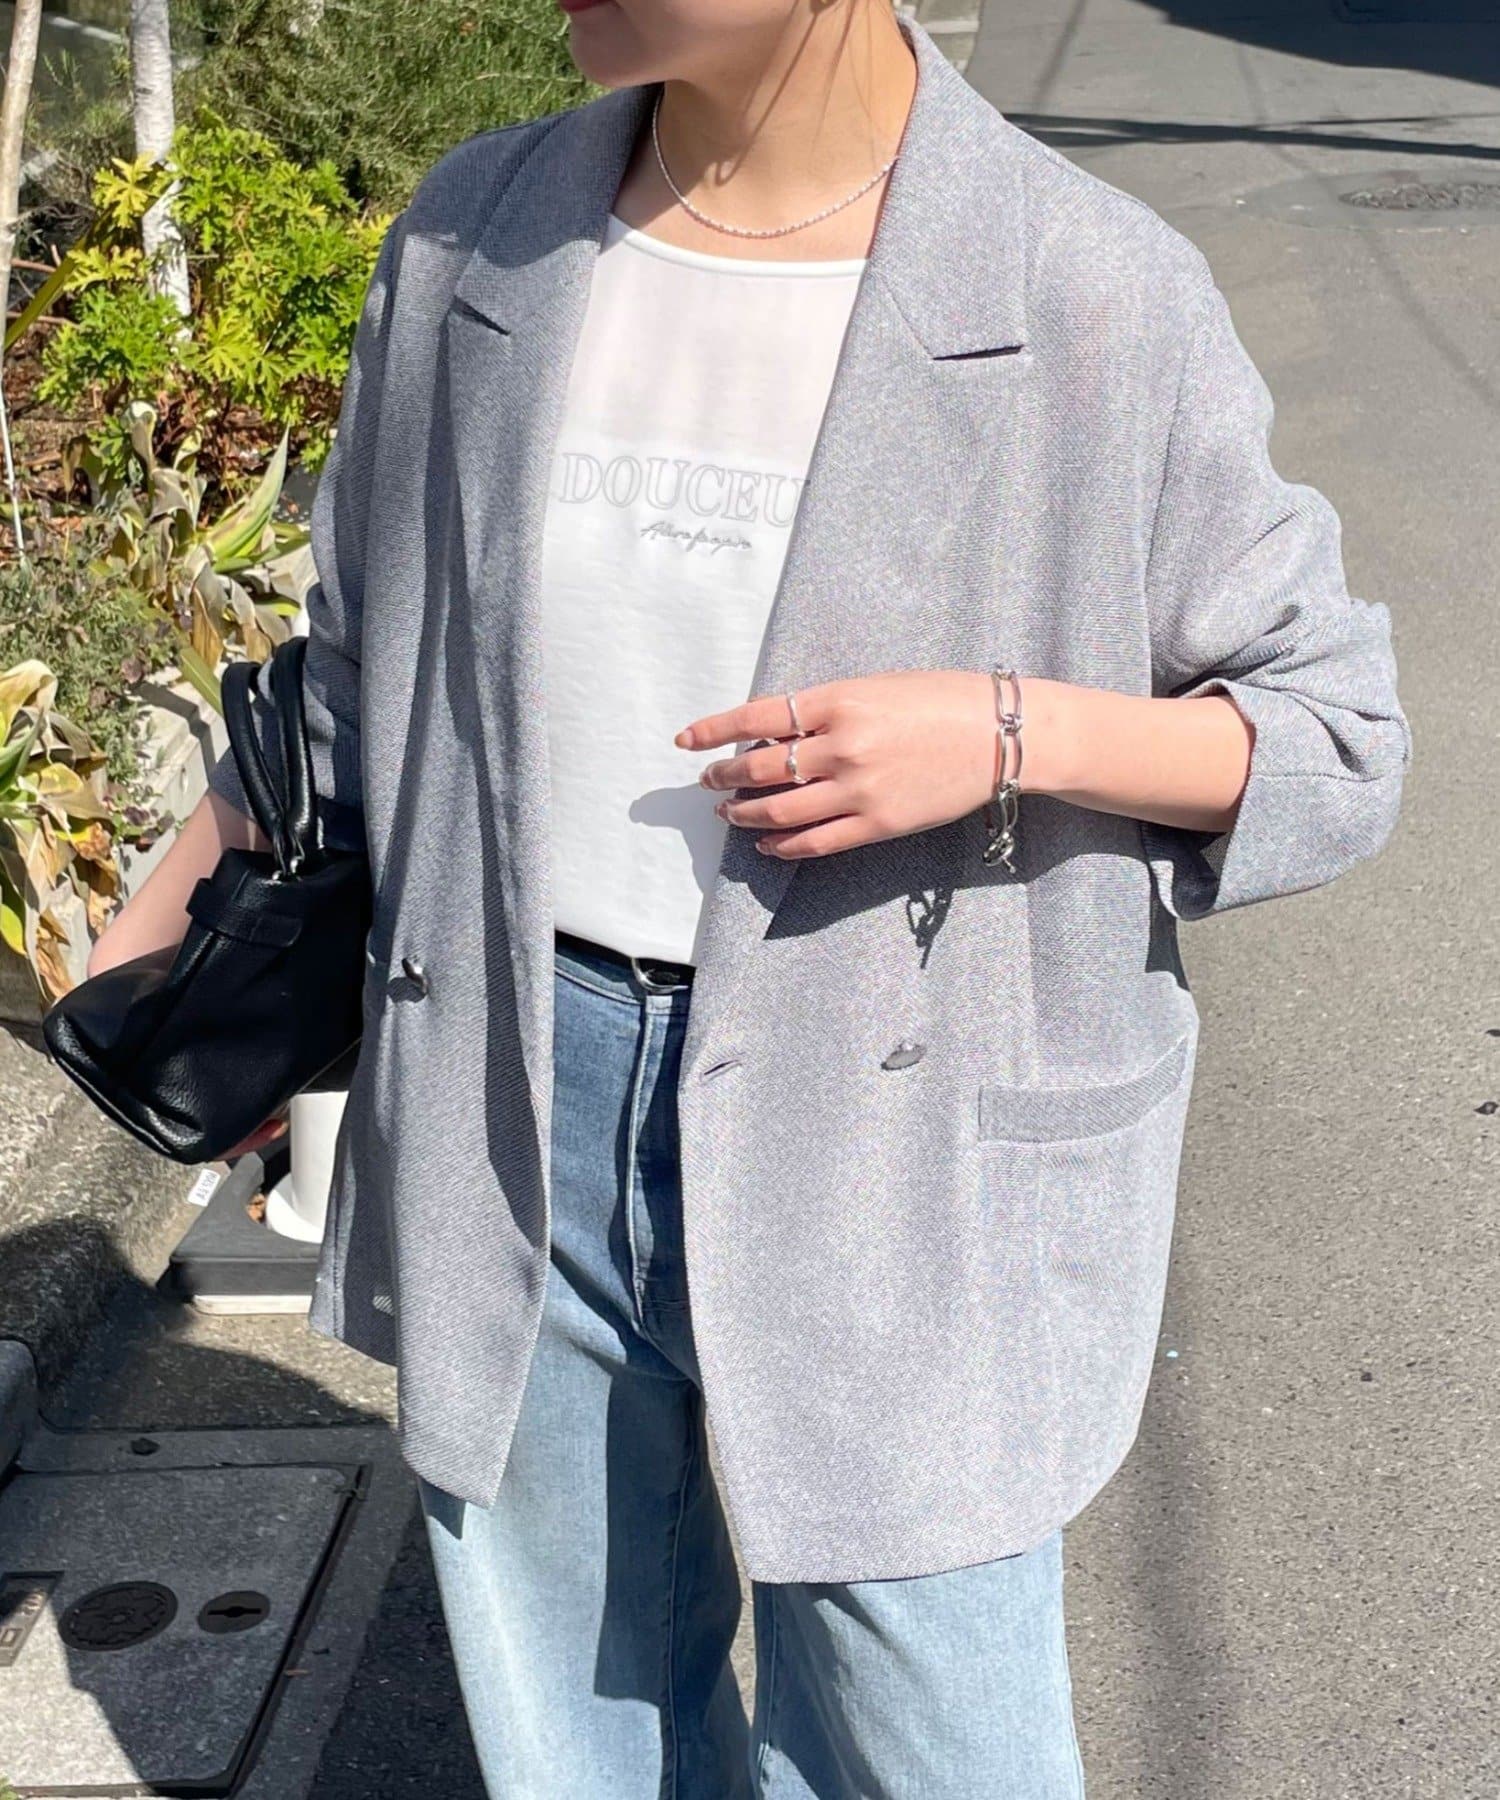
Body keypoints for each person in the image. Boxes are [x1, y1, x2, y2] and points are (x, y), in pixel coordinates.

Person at [91, 2, 1412, 1793]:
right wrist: (181, 949)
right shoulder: (476, 232)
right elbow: (358, 666)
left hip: (902, 1130)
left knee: (932, 1744)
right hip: (510, 1086)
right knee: (579, 1734)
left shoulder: (1089, 285)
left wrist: (1003, 732)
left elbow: (1338, 739)